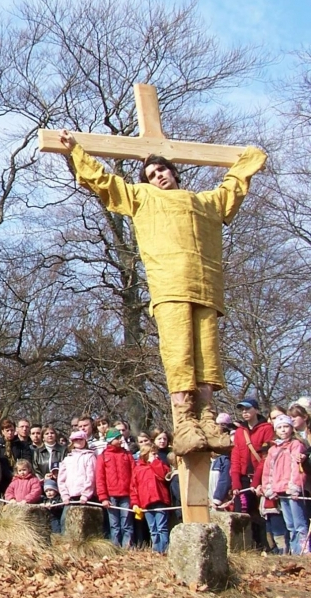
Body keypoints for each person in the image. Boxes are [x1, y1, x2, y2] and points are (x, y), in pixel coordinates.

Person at [61, 130, 266, 456]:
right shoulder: (143, 196)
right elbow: (105, 182)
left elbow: (231, 188)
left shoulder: (204, 202)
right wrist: (76, 152)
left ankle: (208, 418)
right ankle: (184, 421)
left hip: (207, 288)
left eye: (162, 170)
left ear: (174, 172)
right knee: (179, 355)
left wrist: (250, 159)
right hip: (170, 286)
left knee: (207, 357)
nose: (158, 177)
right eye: (152, 174)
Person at [258, 415, 307, 554]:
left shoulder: (296, 445)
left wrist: (295, 486)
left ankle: (302, 550)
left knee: (299, 523)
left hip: (292, 489)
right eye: (279, 427)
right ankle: (294, 550)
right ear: (275, 430)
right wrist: (269, 488)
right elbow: (268, 471)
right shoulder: (273, 449)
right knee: (290, 524)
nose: (283, 430)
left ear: (291, 428)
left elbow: (297, 468)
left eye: (286, 427)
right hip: (279, 490)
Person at [231, 398, 273, 549]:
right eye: (242, 410)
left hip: (260, 477)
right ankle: (242, 547)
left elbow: (265, 457)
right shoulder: (239, 432)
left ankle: (263, 546)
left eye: (248, 409)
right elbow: (235, 457)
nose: (245, 412)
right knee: (240, 512)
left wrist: (256, 481)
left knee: (258, 513)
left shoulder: (266, 429)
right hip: (242, 477)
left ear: (256, 410)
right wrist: (235, 481)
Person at [96, 428, 134, 549]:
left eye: (120, 438)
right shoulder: (103, 456)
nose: (120, 440)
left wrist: (134, 494)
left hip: (126, 494)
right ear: (110, 440)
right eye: (117, 438)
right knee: (114, 524)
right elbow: (100, 478)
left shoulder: (127, 455)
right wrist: (103, 497)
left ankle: (127, 548)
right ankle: (115, 548)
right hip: (111, 496)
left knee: (127, 523)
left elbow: (134, 475)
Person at [131, 443, 172, 553]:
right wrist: (135, 503)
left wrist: (154, 462)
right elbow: (134, 488)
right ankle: (156, 550)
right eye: (152, 454)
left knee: (161, 527)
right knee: (153, 529)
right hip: (146, 502)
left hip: (160, 500)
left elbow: (164, 475)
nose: (155, 456)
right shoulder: (138, 469)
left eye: (156, 454)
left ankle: (164, 550)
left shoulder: (159, 464)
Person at [58, 431, 97, 520]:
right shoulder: (67, 458)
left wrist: (86, 495)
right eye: (75, 440)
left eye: (81, 439)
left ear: (85, 440)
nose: (78, 441)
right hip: (70, 498)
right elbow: (61, 479)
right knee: (65, 521)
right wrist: (64, 495)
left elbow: (91, 477)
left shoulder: (90, 456)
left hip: (86, 498)